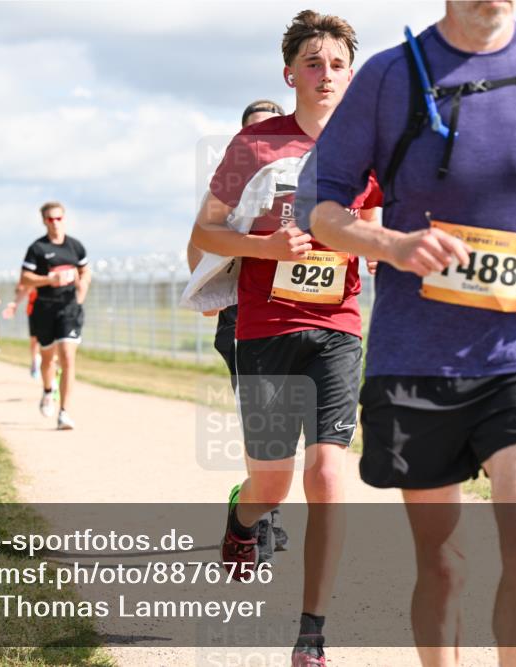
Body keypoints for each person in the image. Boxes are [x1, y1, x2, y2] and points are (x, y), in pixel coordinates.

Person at [295, 2, 516, 665]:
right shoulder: (387, 78)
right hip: (419, 354)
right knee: (442, 561)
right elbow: (322, 210)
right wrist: (392, 242)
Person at [189, 11, 382, 666]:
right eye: (312, 63)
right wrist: (263, 245)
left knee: (328, 472)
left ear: (350, 75)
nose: (325, 74)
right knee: (270, 483)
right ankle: (242, 522)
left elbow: (376, 213)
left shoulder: (368, 143)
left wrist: (377, 245)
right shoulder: (255, 146)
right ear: (289, 73)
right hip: (265, 328)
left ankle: (313, 632)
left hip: (337, 325)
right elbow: (205, 236)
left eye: (336, 65)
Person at [186, 98, 291, 565]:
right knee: (263, 420)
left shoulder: (297, 176)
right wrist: (210, 298)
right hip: (239, 312)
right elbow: (199, 242)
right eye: (256, 132)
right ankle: (261, 517)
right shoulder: (230, 184)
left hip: (293, 312)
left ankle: (262, 499)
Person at [11, 202, 90, 430]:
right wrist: (49, 280)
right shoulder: (37, 248)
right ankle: (48, 390)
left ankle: (64, 412)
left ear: (64, 219)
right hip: (44, 309)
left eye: (58, 218)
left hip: (69, 309)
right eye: (50, 219)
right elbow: (25, 278)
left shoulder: (75, 246)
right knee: (47, 359)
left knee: (67, 356)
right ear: (44, 221)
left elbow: (85, 270)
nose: (55, 223)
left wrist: (83, 285)